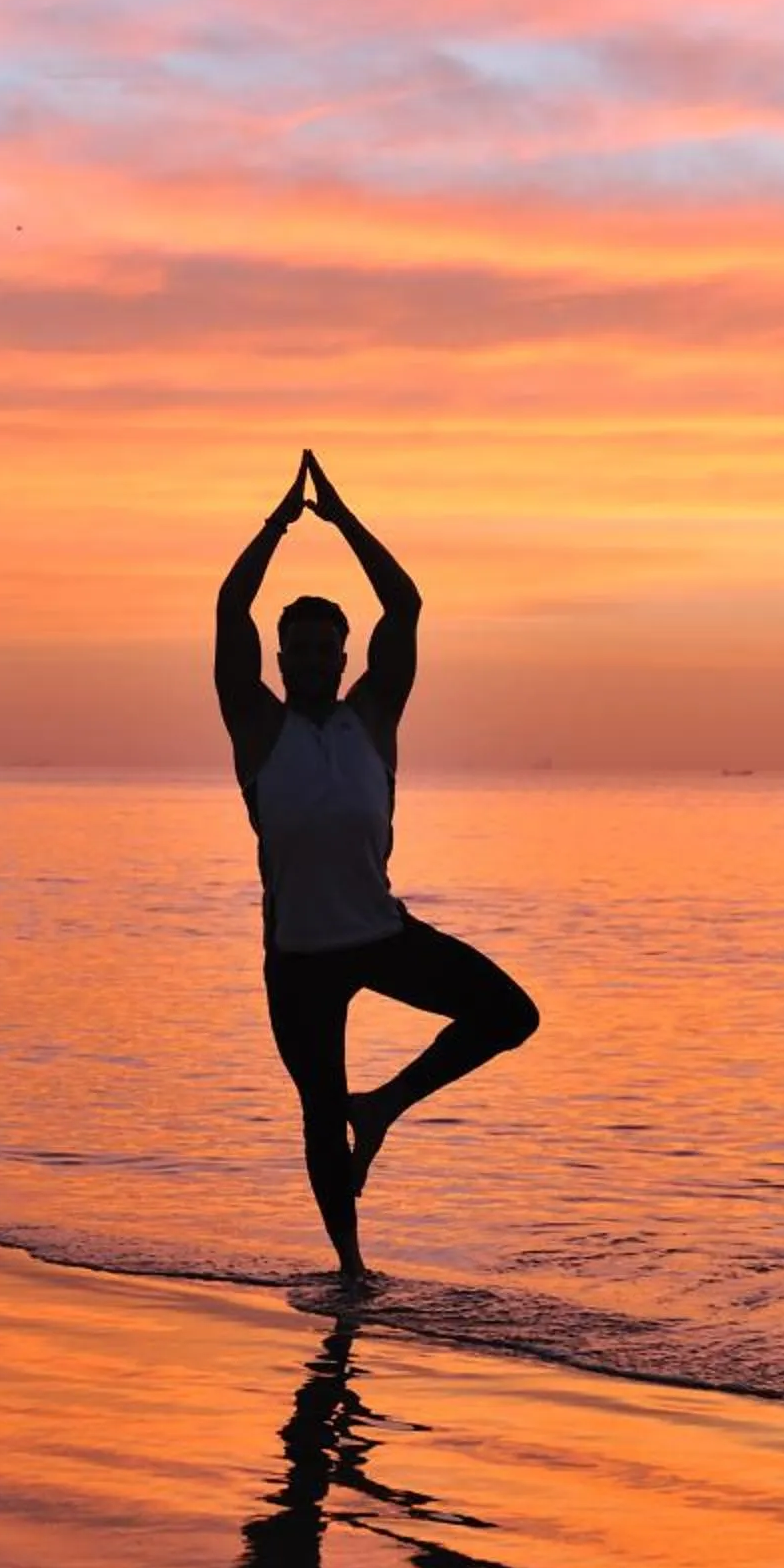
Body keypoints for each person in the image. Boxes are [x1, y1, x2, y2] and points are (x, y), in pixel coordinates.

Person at [215, 451, 538, 1291]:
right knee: (320, 1115)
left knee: (510, 1014)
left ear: (343, 656)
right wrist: (276, 525)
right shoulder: (256, 725)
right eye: (298, 650)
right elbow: (230, 608)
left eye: (325, 650)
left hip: (381, 934)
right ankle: (352, 1275)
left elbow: (405, 604)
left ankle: (387, 1103)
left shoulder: (373, 716)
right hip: (298, 959)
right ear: (281, 658)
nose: (311, 661)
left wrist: (342, 518)